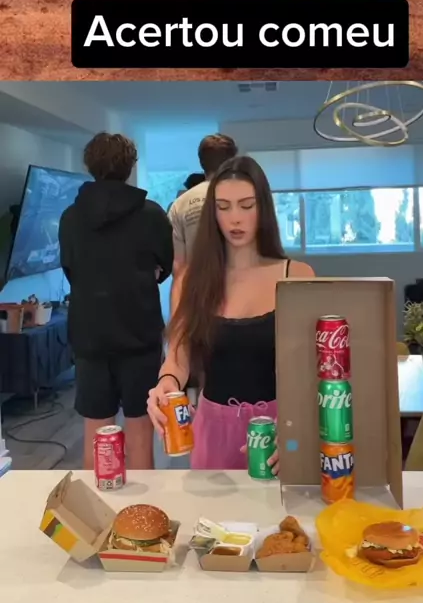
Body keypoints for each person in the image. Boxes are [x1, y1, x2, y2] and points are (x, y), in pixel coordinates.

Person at [147, 155, 314, 472]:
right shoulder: (192, 279)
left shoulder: (297, 275)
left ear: (263, 208)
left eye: (246, 205)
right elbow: (178, 356)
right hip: (213, 431)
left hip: (281, 430)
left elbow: (311, 367)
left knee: (281, 505)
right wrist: (166, 383)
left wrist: (299, 426)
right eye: (223, 207)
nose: (235, 218)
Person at [59, 132, 174, 470]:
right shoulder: (151, 214)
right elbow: (165, 265)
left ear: (89, 165)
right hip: (139, 335)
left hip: (90, 337)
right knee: (140, 431)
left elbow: (71, 269)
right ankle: (143, 503)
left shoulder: (70, 217)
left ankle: (94, 502)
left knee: (96, 436)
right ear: (130, 166)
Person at [168, 134, 238, 282]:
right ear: (233, 162)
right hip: (240, 287)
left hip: (197, 289)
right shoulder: (248, 199)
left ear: (201, 162)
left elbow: (178, 265)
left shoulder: (180, 204)